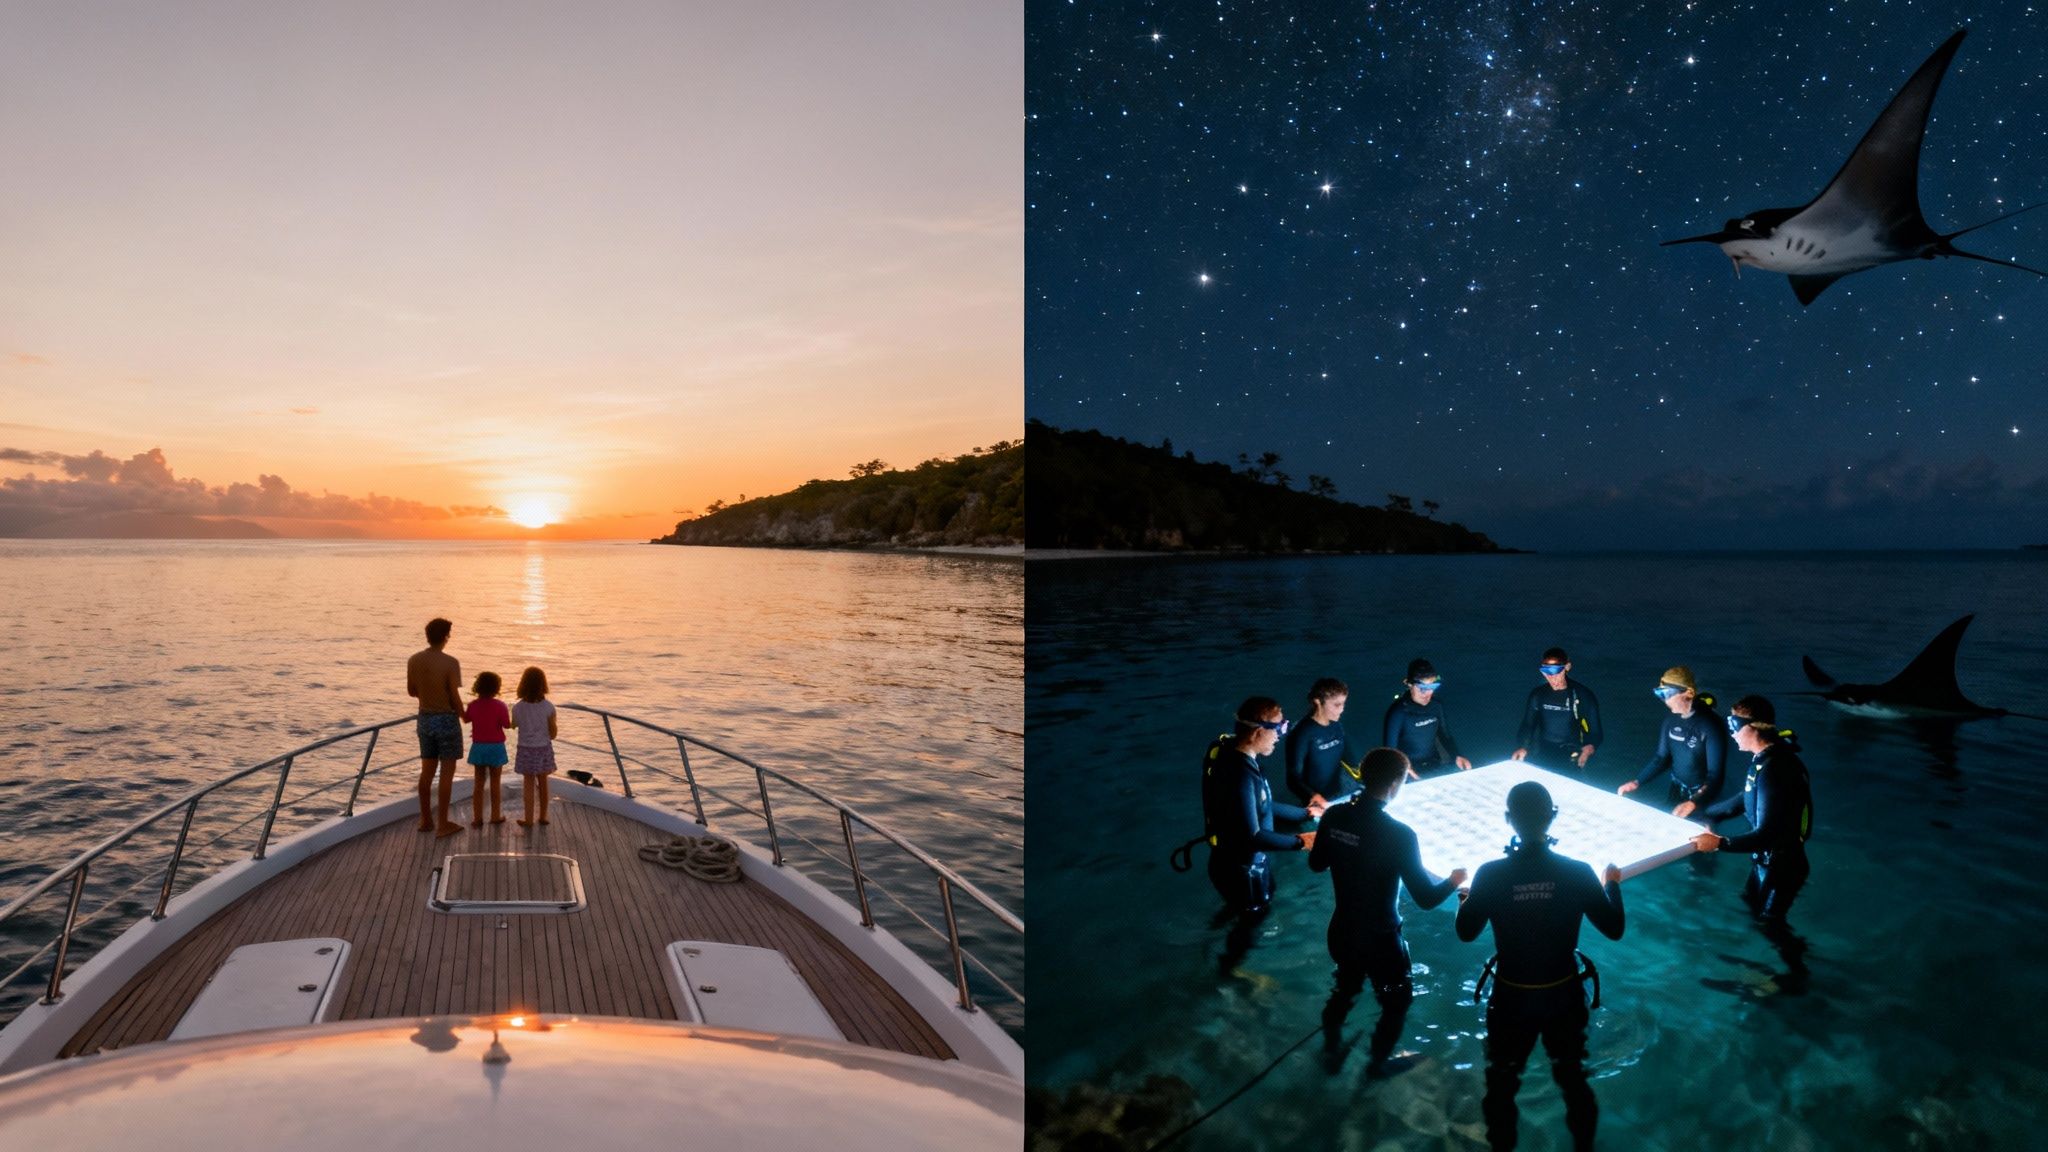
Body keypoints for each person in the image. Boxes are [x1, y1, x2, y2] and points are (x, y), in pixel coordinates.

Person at [1456, 782, 1625, 1152]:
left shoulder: (1490, 873)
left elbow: (1466, 933)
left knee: (1502, 1084)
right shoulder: (1579, 872)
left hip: (1512, 996)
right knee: (1573, 1080)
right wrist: (1612, 883)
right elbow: (1614, 929)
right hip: (1562, 993)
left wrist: (1464, 898)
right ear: (1553, 817)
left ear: (1507, 820)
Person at [1308, 747, 1466, 1077]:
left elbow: (1316, 863)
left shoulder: (1334, 816)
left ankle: (1330, 1051)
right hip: (1381, 940)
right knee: (1396, 1004)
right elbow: (1425, 898)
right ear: (1396, 784)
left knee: (1345, 989)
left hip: (1342, 930)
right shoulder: (1399, 834)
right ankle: (1377, 1066)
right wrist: (1454, 880)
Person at [1678, 701, 1814, 931]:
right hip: (1767, 861)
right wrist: (1704, 811)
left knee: (1771, 927)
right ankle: (1759, 963)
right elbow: (1745, 799)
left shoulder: (1776, 768)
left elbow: (1767, 834)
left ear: (1754, 727)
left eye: (1734, 725)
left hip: (1781, 866)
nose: (1731, 732)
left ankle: (1796, 967)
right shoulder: (1766, 760)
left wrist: (1720, 843)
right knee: (1751, 911)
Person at [1201, 697, 1326, 937]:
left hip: (1234, 865)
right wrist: (1302, 842)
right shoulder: (1241, 775)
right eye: (1279, 728)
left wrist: (1305, 812)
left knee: (1243, 912)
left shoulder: (1236, 757)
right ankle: (1232, 965)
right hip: (1242, 871)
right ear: (1259, 731)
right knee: (1254, 919)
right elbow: (1253, 836)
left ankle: (1217, 931)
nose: (1281, 735)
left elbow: (1262, 804)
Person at [1617, 665, 1727, 813]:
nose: (1665, 700)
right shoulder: (1670, 722)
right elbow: (1661, 758)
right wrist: (1637, 782)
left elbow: (1715, 776)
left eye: (1668, 694)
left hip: (1702, 796)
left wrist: (1694, 802)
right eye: (1660, 694)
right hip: (1676, 789)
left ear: (1688, 693)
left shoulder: (1711, 726)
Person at [406, 617, 466, 838]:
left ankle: (425, 819)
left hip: (425, 720)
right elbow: (454, 695)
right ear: (445, 637)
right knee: (446, 775)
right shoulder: (450, 662)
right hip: (446, 721)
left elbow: (412, 691)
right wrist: (465, 715)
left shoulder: (414, 660)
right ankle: (443, 824)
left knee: (426, 773)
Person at [1509, 648, 1602, 776]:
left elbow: (1596, 732)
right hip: (1543, 752)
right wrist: (1523, 746)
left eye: (1556, 672)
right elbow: (1528, 724)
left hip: (1572, 754)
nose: (1551, 677)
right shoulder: (1538, 695)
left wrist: (1589, 747)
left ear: (1567, 667)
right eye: (1546, 672)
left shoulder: (1583, 695)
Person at [1382, 659, 1472, 776]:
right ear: (1409, 684)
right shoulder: (1398, 712)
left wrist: (1457, 755)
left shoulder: (1436, 706)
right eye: (1422, 688)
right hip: (1407, 770)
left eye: (1433, 686)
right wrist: (1404, 769)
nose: (1428, 693)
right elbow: (1390, 751)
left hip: (1434, 764)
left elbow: (1445, 735)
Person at [1285, 678, 1356, 805]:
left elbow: (1351, 761)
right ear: (1317, 702)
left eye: (1343, 704)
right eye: (1337, 705)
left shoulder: (1337, 726)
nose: (1342, 709)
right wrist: (1313, 797)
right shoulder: (1301, 733)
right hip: (1317, 802)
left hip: (1341, 793)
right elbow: (1292, 779)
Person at [511, 665, 560, 827]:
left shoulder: (518, 707)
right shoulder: (549, 707)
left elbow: (513, 725)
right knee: (543, 782)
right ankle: (543, 816)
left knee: (528, 784)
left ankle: (528, 818)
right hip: (543, 748)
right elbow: (553, 734)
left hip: (525, 749)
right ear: (543, 685)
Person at [464, 671, 511, 827]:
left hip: (479, 747)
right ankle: (495, 816)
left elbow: (466, 719)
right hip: (496, 747)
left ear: (478, 686)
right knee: (495, 783)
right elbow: (506, 724)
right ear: (496, 688)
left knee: (478, 784)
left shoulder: (473, 705)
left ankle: (477, 818)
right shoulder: (500, 706)